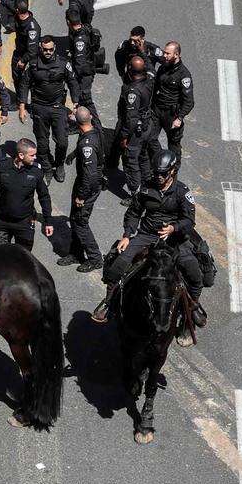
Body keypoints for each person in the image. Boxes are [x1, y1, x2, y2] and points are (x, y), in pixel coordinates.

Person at [96, 152, 200, 322]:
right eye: (156, 173)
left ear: (172, 171)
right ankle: (109, 302)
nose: (159, 177)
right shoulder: (146, 188)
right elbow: (134, 212)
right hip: (147, 235)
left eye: (163, 173)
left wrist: (174, 228)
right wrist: (127, 235)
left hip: (173, 239)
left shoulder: (182, 191)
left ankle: (193, 305)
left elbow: (189, 220)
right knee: (120, 262)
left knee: (193, 269)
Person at [17, 38, 79, 184]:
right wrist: (22, 107)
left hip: (58, 107)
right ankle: (46, 167)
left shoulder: (64, 63)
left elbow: (73, 82)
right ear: (40, 48)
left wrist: (76, 103)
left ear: (55, 48)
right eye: (45, 49)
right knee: (42, 142)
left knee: (62, 142)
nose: (48, 52)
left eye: (51, 49)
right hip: (39, 107)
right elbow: (24, 84)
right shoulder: (32, 64)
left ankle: (59, 165)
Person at [0, 139, 54, 249]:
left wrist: (48, 221)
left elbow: (44, 197)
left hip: (24, 222)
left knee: (23, 257)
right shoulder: (2, 167)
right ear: (21, 155)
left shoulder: (36, 171)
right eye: (32, 155)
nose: (35, 158)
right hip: (1, 221)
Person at [111, 54, 156, 196]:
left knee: (130, 160)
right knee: (143, 155)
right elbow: (151, 70)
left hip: (136, 130)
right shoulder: (149, 80)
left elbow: (131, 118)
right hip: (147, 125)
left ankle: (135, 195)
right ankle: (147, 182)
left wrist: (124, 136)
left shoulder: (133, 91)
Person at [67, 107, 105, 273]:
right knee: (74, 218)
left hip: (88, 185)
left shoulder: (86, 145)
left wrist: (82, 196)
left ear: (77, 122)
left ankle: (95, 258)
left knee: (80, 222)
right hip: (86, 182)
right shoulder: (94, 130)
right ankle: (76, 253)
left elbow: (89, 175)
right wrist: (74, 154)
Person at [63, 5, 107, 122]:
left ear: (68, 22)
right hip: (88, 69)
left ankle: (97, 126)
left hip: (84, 74)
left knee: (85, 99)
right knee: (82, 101)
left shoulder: (79, 39)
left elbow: (80, 63)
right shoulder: (85, 29)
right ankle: (81, 122)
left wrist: (73, 76)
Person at [150, 42, 195, 156]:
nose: (164, 56)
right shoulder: (163, 68)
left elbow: (189, 101)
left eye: (167, 53)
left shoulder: (184, 75)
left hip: (171, 114)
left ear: (176, 55)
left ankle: (172, 171)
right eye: (165, 53)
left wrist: (179, 118)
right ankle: (160, 160)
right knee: (149, 138)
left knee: (174, 145)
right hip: (157, 110)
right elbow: (155, 87)